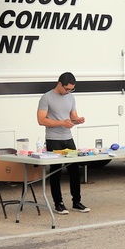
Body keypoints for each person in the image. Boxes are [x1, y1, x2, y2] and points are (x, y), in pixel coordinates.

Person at [37, 72, 88, 214]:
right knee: (56, 171)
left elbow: (73, 116)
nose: (69, 92)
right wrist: (61, 123)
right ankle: (58, 203)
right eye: (67, 89)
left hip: (68, 137)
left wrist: (78, 120)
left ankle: (76, 201)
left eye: (72, 89)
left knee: (75, 170)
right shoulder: (46, 97)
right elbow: (41, 120)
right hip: (53, 139)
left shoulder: (71, 97)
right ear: (59, 84)